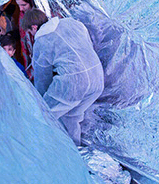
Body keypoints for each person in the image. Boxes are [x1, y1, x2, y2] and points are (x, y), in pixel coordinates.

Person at [20, 9, 104, 145]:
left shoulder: (42, 41)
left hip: (73, 82)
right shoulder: (72, 23)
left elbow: (42, 78)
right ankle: (75, 154)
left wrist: (42, 102)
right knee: (71, 116)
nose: (31, 35)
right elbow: (88, 44)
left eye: (30, 32)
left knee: (44, 116)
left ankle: (33, 150)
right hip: (97, 78)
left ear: (34, 27)